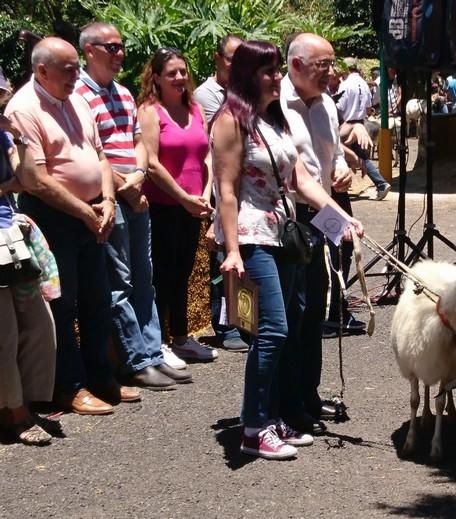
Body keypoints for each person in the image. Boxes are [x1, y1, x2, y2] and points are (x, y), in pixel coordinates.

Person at [212, 40, 363, 459]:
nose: (277, 78)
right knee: (272, 329)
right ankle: (253, 427)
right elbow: (225, 191)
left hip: (282, 234)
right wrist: (232, 250)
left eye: (278, 70)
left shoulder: (274, 118)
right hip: (250, 237)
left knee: (290, 324)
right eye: (268, 71)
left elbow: (303, 181)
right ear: (246, 75)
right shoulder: (230, 121)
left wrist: (340, 218)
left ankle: (271, 415)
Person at [6, 37, 130, 415]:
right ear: (41, 70)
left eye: (78, 67)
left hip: (93, 214)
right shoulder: (23, 108)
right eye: (69, 69)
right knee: (63, 303)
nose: (77, 75)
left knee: (97, 299)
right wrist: (84, 211)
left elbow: (101, 156)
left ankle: (100, 376)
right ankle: (68, 387)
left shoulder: (77, 99)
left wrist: (107, 201)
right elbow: (35, 179)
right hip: (54, 219)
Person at [75, 22, 191, 389]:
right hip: (110, 197)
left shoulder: (122, 94)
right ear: (89, 50)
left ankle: (153, 351)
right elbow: (94, 150)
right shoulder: (77, 94)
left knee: (145, 277)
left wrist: (139, 175)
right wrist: (125, 188)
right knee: (120, 281)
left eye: (121, 46)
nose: (120, 53)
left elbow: (137, 141)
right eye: (112, 47)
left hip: (135, 192)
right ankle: (135, 359)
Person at [280, 33, 367, 433]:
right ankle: (288, 402)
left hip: (323, 211)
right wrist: (335, 214)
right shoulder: (277, 104)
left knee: (317, 308)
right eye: (323, 66)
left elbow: (324, 162)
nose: (332, 73)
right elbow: (294, 177)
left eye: (333, 64)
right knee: (292, 314)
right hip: (291, 217)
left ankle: (308, 395)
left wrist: (340, 170)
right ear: (295, 65)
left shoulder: (327, 105)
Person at [138, 47, 218, 362]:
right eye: (172, 73)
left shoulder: (195, 108)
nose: (180, 78)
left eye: (183, 71)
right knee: (162, 273)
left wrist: (205, 191)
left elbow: (207, 154)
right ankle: (159, 343)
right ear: (156, 77)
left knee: (183, 271)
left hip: (193, 205)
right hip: (162, 205)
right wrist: (184, 198)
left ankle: (182, 337)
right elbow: (152, 164)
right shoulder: (149, 111)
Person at [0, 97, 56, 444]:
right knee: (4, 331)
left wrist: (19, 139)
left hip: (12, 238)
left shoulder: (5, 135)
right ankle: (16, 415)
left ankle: (24, 401)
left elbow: (29, 180)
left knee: (40, 325)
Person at [193, 34, 249, 353]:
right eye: (231, 59)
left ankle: (245, 321)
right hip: (219, 186)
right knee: (223, 258)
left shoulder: (244, 92)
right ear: (217, 58)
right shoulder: (207, 95)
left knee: (242, 257)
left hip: (245, 188)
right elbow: (210, 151)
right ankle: (225, 325)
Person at [336, 57, 391, 201]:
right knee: (361, 156)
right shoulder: (364, 84)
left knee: (336, 152)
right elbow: (368, 107)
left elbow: (339, 107)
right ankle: (381, 183)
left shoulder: (345, 85)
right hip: (361, 124)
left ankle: (339, 189)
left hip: (346, 125)